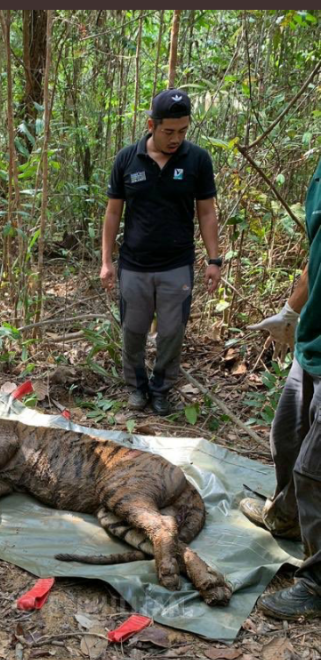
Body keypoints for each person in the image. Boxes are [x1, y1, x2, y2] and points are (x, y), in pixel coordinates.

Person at [100, 89, 222, 416]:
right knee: (133, 331)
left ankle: (161, 390)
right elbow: (113, 212)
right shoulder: (127, 159)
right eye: (169, 131)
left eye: (183, 131)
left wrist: (214, 259)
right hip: (134, 264)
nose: (176, 139)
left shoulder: (197, 160)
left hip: (177, 265)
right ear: (151, 125)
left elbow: (206, 212)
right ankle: (136, 388)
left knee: (171, 333)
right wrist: (106, 260)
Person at [239, 156, 321, 620]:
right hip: (312, 342)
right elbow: (317, 256)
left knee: (316, 471)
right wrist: (291, 312)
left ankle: (316, 583)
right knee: (286, 435)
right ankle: (286, 517)